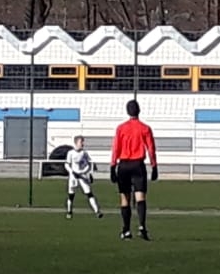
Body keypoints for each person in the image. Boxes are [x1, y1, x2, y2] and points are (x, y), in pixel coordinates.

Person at [110, 99, 158, 241]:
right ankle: (142, 227)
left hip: (124, 165)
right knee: (140, 197)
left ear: (127, 111)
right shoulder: (145, 128)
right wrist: (154, 165)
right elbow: (151, 148)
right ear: (139, 110)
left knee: (125, 198)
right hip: (138, 165)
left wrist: (112, 166)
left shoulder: (121, 128)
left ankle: (126, 230)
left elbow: (116, 148)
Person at [64, 135, 104, 219]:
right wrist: (72, 172)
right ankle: (69, 211)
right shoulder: (70, 153)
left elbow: (88, 164)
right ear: (76, 143)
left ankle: (97, 211)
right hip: (73, 177)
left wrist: (84, 172)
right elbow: (67, 164)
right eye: (81, 142)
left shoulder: (84, 153)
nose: (82, 144)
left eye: (82, 142)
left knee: (89, 193)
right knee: (71, 195)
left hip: (82, 176)